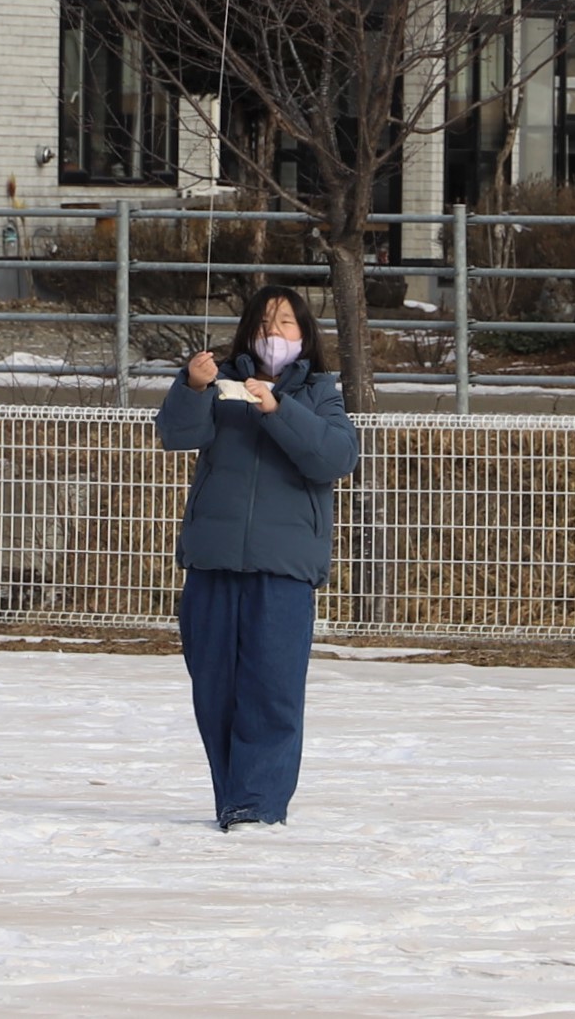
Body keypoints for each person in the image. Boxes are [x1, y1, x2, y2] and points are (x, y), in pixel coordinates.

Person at [155, 283, 359, 831]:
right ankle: (235, 800)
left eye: (288, 323)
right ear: (248, 329)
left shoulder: (320, 392)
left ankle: (258, 806)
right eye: (266, 322)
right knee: (215, 690)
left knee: (271, 690)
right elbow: (176, 434)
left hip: (284, 568)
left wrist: (278, 409)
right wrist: (192, 387)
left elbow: (334, 458)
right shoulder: (218, 383)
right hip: (213, 561)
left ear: (305, 333)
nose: (276, 333)